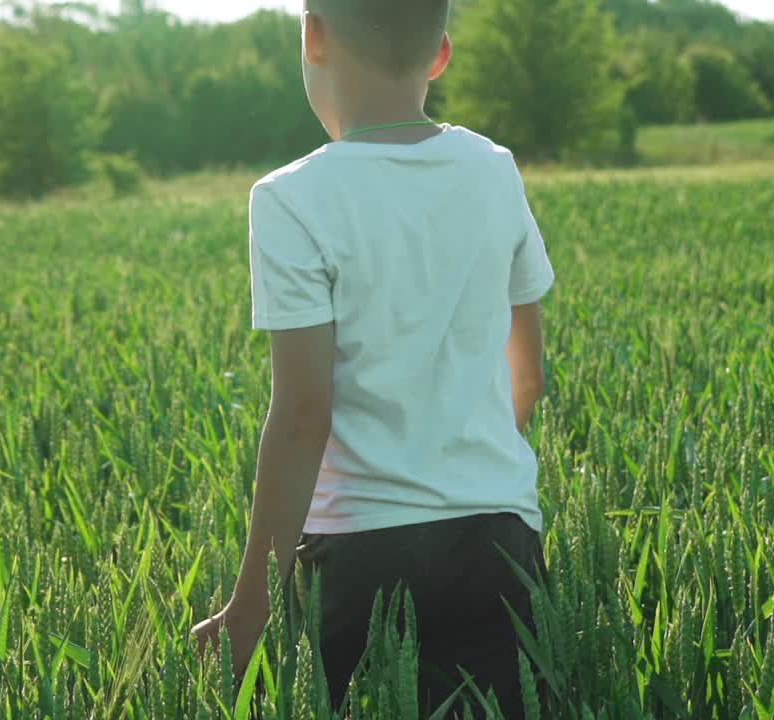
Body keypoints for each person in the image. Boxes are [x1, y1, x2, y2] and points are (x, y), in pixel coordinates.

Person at [193, 0, 555, 716]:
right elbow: (529, 376)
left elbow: (302, 415)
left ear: (313, 36)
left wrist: (250, 604)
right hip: (499, 540)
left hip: (361, 554)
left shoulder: (290, 199)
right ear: (440, 54)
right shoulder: (494, 168)